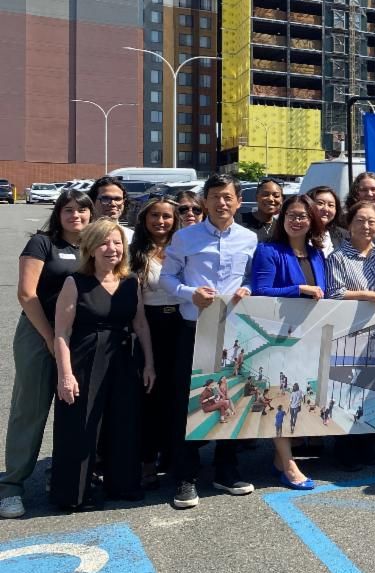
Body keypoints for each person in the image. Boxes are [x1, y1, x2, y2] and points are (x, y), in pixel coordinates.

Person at [160, 173, 257, 510]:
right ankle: (185, 476)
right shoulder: (185, 238)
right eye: (215, 196)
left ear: (238, 201)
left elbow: (249, 277)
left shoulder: (249, 238)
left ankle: (226, 470)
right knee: (188, 402)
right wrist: (189, 293)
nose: (221, 202)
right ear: (205, 201)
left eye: (228, 196)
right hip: (194, 328)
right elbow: (166, 277)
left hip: (232, 332)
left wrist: (248, 289)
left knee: (232, 398)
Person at [0, 190, 93, 519]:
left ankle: (64, 477)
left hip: (76, 337)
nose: (76, 216)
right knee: (30, 408)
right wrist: (50, 337)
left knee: (75, 409)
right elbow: (27, 294)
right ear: (59, 213)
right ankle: (11, 485)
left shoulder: (92, 246)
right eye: (69, 210)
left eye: (82, 210)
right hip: (39, 333)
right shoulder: (42, 243)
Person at [50, 219, 154, 509]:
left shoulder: (131, 281)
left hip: (124, 356)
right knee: (81, 426)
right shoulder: (75, 282)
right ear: (91, 248)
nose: (112, 249)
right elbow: (62, 332)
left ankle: (122, 486)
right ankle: (74, 494)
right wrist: (65, 375)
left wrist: (149, 365)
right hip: (85, 357)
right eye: (105, 243)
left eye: (118, 242)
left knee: (124, 422)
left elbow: (141, 325)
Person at [251, 194, 328, 491]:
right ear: (283, 220)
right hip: (279, 337)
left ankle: (279, 459)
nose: (297, 221)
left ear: (312, 221)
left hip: (308, 336)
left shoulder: (316, 253)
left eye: (303, 216)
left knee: (299, 396)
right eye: (292, 215)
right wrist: (299, 289)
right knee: (280, 397)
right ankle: (289, 464)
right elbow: (261, 290)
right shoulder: (269, 251)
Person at [326, 198, 375, 470]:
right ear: (348, 225)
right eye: (360, 221)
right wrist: (368, 295)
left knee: (372, 390)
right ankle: (346, 449)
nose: (366, 226)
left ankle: (368, 444)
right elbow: (334, 293)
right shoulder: (337, 257)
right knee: (346, 391)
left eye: (371, 221)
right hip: (347, 333)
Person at [129, 197, 184, 490]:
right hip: (150, 326)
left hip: (182, 323)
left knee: (179, 396)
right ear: (144, 219)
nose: (160, 222)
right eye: (154, 216)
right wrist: (148, 356)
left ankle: (175, 458)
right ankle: (147, 460)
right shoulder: (135, 253)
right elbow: (137, 306)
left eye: (166, 216)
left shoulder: (182, 248)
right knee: (151, 395)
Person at [87, 176, 133, 243]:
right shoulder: (83, 236)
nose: (113, 204)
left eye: (118, 199)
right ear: (92, 201)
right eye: (105, 199)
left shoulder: (132, 237)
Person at [238, 178, 282, 242]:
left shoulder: (282, 227)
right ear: (257, 197)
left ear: (282, 199)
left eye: (276, 195)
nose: (271, 199)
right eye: (265, 194)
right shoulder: (238, 220)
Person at [307, 186, 344, 256]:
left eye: (331, 205)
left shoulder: (344, 236)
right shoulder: (298, 234)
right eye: (320, 203)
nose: (326, 209)